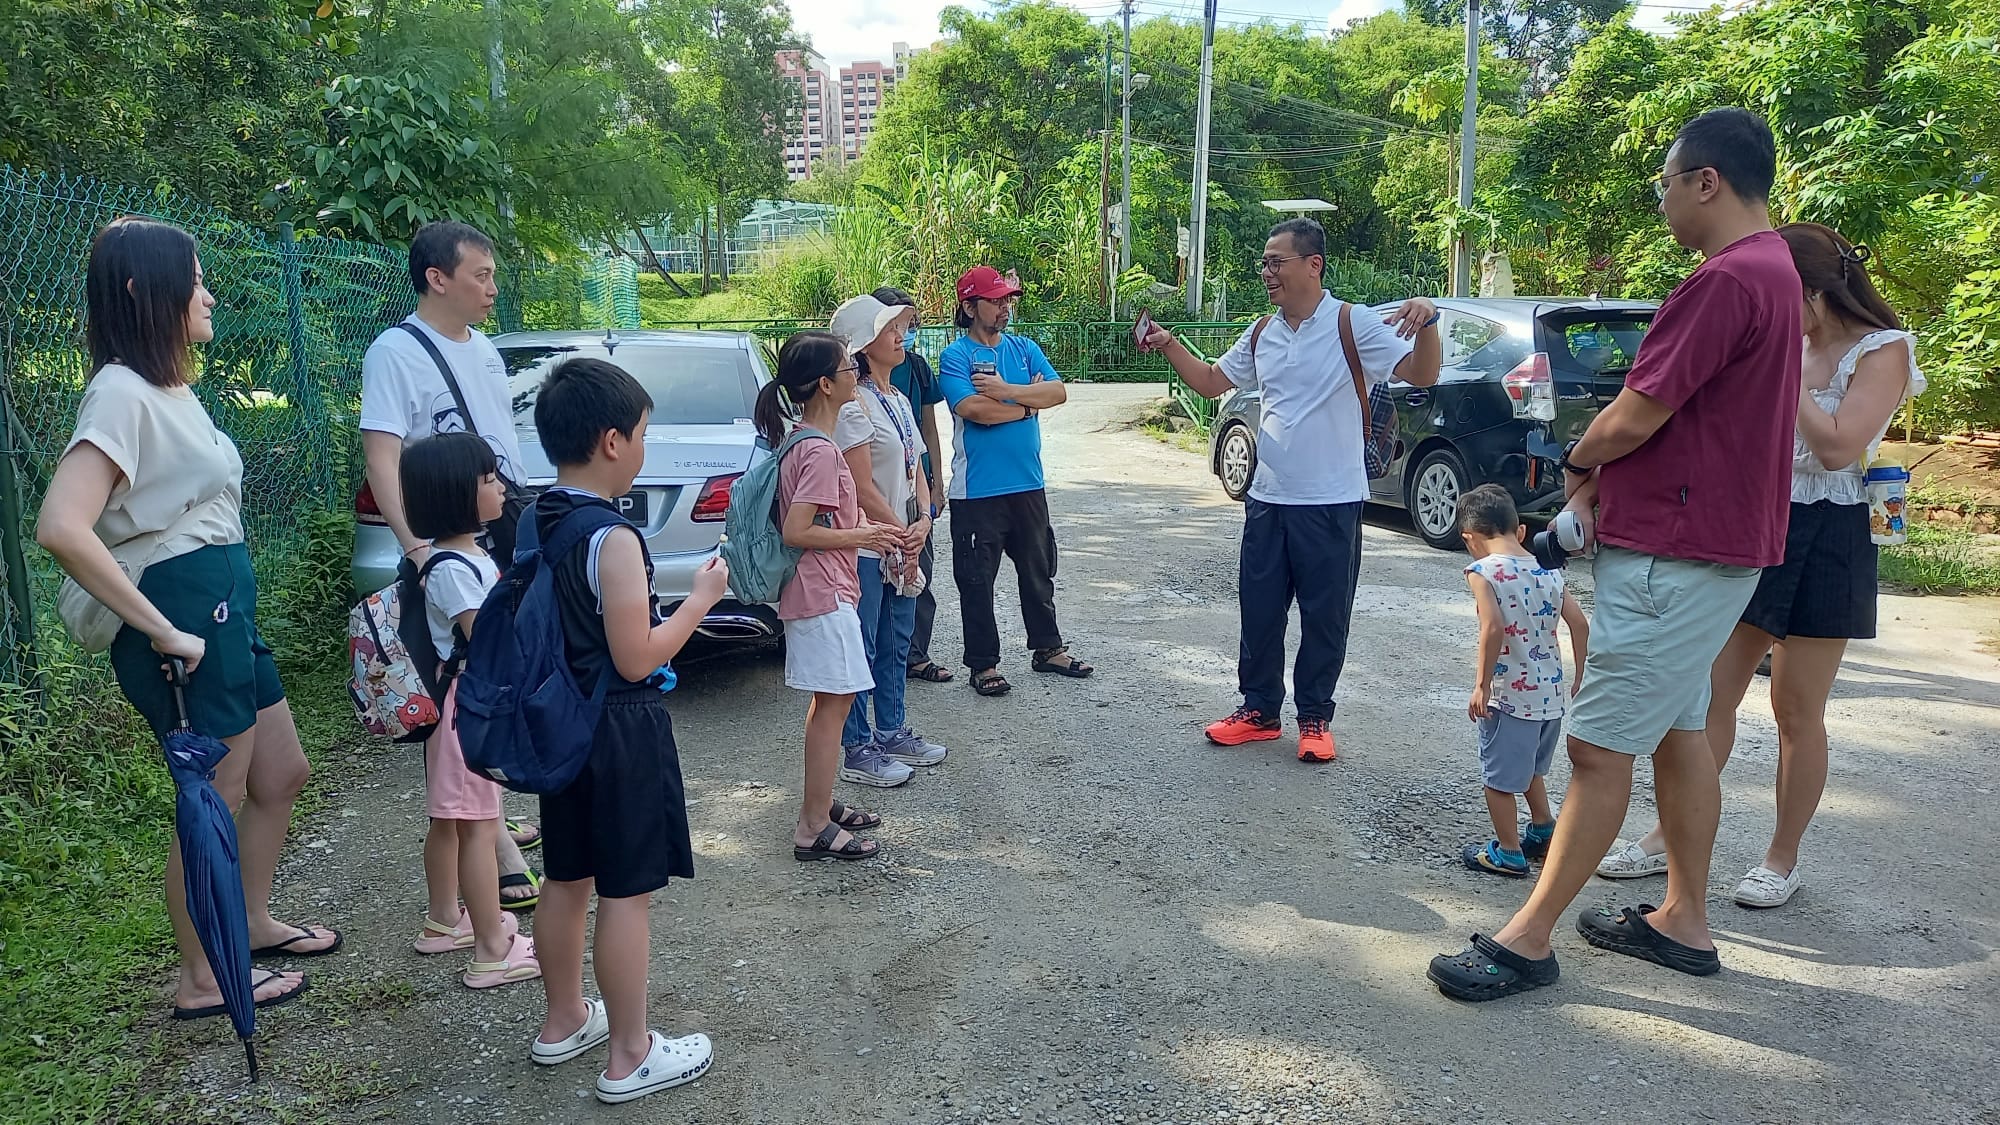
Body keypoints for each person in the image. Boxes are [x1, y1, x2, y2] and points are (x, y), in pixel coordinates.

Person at [1427, 107, 1803, 1001]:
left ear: (1706, 180)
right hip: (1714, 547)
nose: (1664, 200)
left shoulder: (1723, 281)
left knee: (1597, 752)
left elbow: (1637, 411)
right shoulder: (1777, 267)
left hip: (1675, 553)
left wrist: (1580, 459)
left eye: (1667, 182)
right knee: (1679, 739)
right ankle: (1682, 919)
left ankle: (1527, 939)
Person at [36, 217, 336, 1020]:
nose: (208, 292)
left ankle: (250, 919)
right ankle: (203, 976)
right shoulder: (119, 391)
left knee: (280, 772)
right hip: (183, 617)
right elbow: (61, 525)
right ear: (145, 290)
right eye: (195, 277)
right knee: (216, 789)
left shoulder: (172, 387)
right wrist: (162, 630)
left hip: (225, 603)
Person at [1596, 221, 1925, 908]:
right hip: (1761, 514)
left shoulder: (1883, 349)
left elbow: (1837, 446)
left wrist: (1780, 368)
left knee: (1795, 707)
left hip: (1833, 529)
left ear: (1810, 290)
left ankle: (1782, 856)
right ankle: (1666, 837)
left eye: (1785, 297)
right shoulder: (1790, 339)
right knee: (1710, 689)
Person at [1144, 218, 1442, 761]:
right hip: (1268, 498)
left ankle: (1314, 720)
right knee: (1259, 611)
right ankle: (1258, 711)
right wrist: (1168, 345)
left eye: (1276, 261)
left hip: (1331, 500)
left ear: (1313, 265)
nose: (1267, 272)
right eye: (1264, 262)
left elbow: (1423, 374)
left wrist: (1427, 322)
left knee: (1325, 615)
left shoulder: (1353, 323)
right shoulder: (1263, 332)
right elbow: (1214, 382)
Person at [524, 357, 722, 1103]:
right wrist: (700, 599)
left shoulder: (536, 516)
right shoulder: (613, 538)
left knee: (566, 874)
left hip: (559, 723)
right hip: (617, 728)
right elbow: (638, 656)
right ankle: (631, 1053)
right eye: (642, 433)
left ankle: (563, 1018)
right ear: (612, 441)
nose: (644, 445)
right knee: (626, 891)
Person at [359, 219, 542, 909]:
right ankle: (490, 853)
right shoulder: (395, 352)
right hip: (445, 541)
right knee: (468, 678)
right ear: (439, 278)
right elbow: (382, 454)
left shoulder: (487, 351)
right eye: (481, 275)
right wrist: (417, 546)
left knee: (497, 673)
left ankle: (489, 804)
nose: (492, 287)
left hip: (498, 525)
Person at [756, 332, 909, 859]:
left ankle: (819, 808)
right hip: (823, 593)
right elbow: (799, 530)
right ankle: (812, 825)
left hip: (818, 590)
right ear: (826, 384)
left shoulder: (802, 439)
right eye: (848, 368)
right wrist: (864, 536)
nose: (856, 374)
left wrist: (866, 529)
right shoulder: (819, 450)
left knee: (830, 704)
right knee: (833, 707)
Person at [400, 433, 540, 989]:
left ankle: (444, 920)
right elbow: (486, 638)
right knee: (480, 827)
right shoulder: (455, 567)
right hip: (467, 709)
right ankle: (492, 947)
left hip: (454, 706)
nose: (501, 487)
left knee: (452, 821)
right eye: (488, 480)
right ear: (458, 493)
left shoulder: (462, 554)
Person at [938, 266, 1094, 697]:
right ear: (970, 307)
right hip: (978, 492)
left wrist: (1006, 390)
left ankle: (1048, 648)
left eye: (1008, 299)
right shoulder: (955, 356)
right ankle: (983, 664)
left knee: (1038, 571)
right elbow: (975, 411)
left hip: (1028, 484)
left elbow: (1058, 392)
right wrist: (1028, 401)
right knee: (976, 581)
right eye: (996, 300)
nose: (1006, 307)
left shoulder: (1024, 348)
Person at [830, 295, 950, 778]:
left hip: (900, 538)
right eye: (891, 329)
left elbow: (915, 465)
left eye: (903, 327)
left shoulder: (897, 398)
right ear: (862, 345)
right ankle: (858, 747)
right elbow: (860, 485)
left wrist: (924, 518)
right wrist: (906, 533)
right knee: (864, 645)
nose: (903, 336)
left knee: (898, 638)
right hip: (867, 543)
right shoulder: (851, 406)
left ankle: (891, 730)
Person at [1455, 485, 1589, 877]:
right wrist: (1581, 676)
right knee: (1531, 769)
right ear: (1521, 532)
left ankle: (1509, 851)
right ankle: (1543, 828)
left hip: (1509, 697)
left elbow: (1492, 627)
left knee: (1497, 779)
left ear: (1469, 540)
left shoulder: (1482, 571)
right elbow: (1579, 625)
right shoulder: (1547, 568)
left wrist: (1481, 685)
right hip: (1549, 698)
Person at [871, 285, 954, 685]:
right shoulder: (856, 384)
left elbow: (929, 428)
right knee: (880, 579)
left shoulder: (916, 367)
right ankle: (880, 663)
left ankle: (913, 654)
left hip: (915, 490)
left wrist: (936, 485)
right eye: (900, 324)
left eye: (911, 323)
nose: (907, 332)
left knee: (920, 570)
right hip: (879, 497)